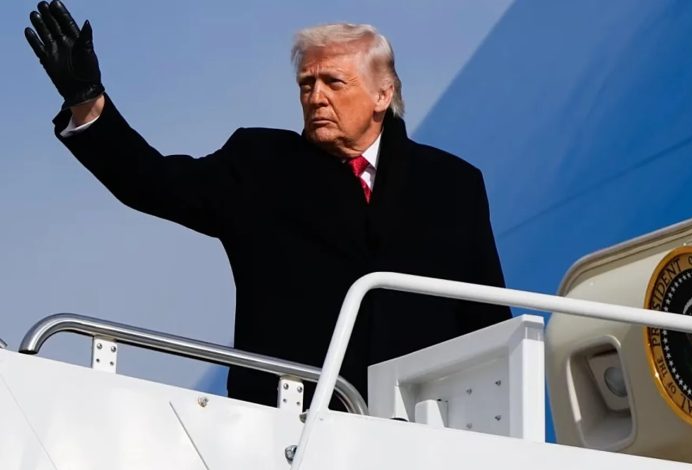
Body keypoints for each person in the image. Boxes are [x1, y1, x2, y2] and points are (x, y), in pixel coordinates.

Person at [24, 1, 511, 408]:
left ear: (383, 94)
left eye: (333, 83)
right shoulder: (259, 164)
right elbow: (150, 181)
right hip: (285, 425)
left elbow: (485, 319)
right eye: (306, 84)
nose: (315, 97)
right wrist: (88, 100)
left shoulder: (453, 184)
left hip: (421, 429)